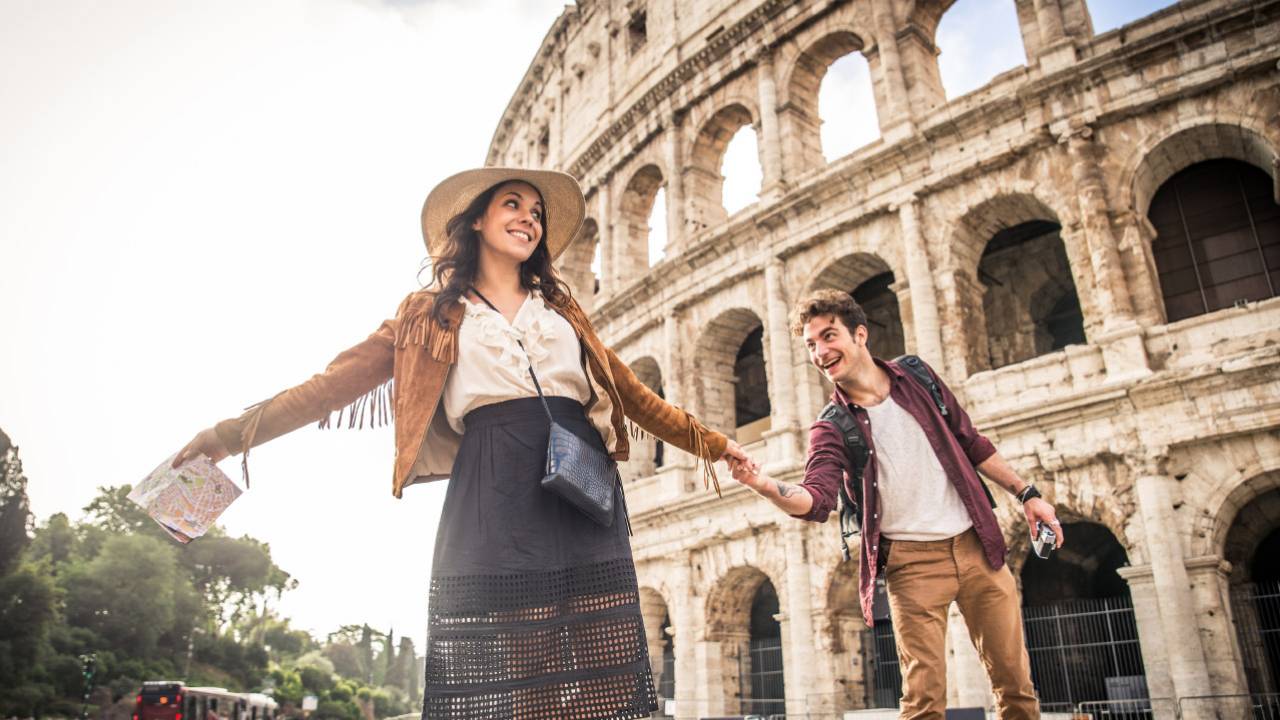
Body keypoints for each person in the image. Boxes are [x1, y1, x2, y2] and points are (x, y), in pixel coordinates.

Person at [173, 167, 748, 719]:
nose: (529, 219)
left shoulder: (562, 310)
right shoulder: (427, 315)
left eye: (537, 213)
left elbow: (634, 396)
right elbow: (329, 387)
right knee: (524, 672)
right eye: (513, 205)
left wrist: (716, 445)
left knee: (605, 667)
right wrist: (228, 436)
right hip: (496, 483)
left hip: (580, 481)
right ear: (476, 219)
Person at [727, 289, 1063, 719]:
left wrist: (1027, 495)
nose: (820, 352)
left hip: (978, 546)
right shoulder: (831, 426)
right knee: (923, 702)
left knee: (1016, 689)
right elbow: (816, 501)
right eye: (810, 344)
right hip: (912, 563)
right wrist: (762, 484)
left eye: (829, 336)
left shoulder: (917, 377)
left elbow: (971, 441)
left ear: (860, 334)